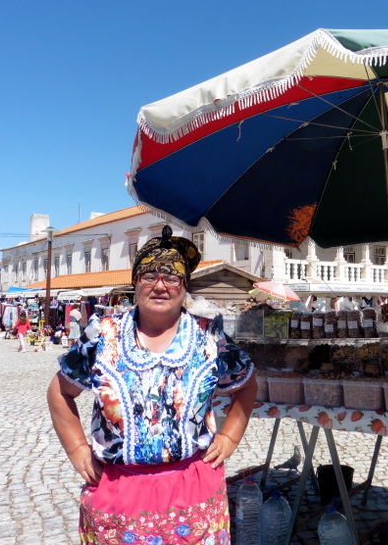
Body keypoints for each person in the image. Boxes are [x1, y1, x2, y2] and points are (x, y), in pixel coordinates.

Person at [47, 226, 257, 544]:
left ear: (184, 285)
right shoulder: (102, 334)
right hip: (118, 495)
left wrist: (229, 437)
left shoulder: (209, 337)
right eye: (149, 275)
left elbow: (246, 382)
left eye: (171, 277)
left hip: (194, 492)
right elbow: (61, 391)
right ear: (136, 282)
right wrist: (78, 450)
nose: (160, 286)